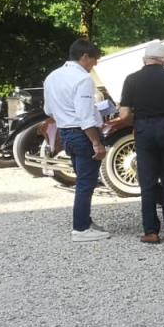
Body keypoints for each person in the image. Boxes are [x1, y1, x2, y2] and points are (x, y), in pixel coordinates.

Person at [115, 43, 164, 243]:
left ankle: (150, 231)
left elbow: (124, 114)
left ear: (145, 59)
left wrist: (141, 120)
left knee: (148, 181)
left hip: (143, 129)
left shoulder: (131, 79)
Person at [43, 39, 110, 242]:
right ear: (84, 57)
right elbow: (84, 117)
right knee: (86, 182)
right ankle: (80, 228)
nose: (95, 64)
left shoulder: (52, 77)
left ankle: (85, 221)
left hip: (65, 132)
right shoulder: (82, 79)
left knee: (82, 178)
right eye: (94, 59)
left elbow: (48, 110)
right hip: (82, 133)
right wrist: (96, 142)